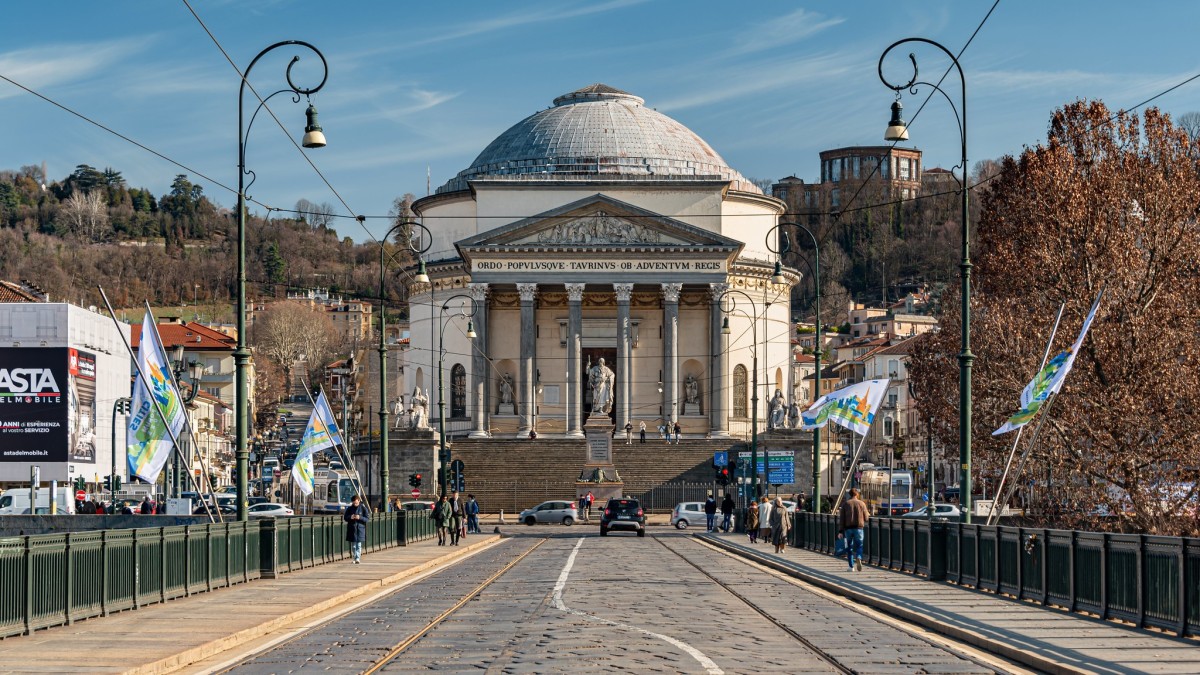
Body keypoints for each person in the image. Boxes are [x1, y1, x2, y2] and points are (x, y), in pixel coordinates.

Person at [840, 487, 870, 571]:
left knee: (849, 547)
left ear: (849, 494)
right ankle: (859, 557)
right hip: (859, 528)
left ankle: (851, 566)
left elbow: (842, 519)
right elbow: (866, 518)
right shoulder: (862, 503)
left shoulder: (846, 504)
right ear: (857, 494)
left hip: (848, 529)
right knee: (859, 545)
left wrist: (840, 531)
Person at [343, 494, 370, 564]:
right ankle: (355, 558)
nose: (355, 504)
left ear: (359, 501)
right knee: (354, 545)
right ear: (352, 502)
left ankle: (357, 558)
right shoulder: (349, 509)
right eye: (354, 503)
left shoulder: (363, 508)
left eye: (356, 503)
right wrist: (350, 517)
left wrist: (360, 517)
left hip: (360, 528)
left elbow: (367, 518)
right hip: (352, 528)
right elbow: (345, 517)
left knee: (359, 545)